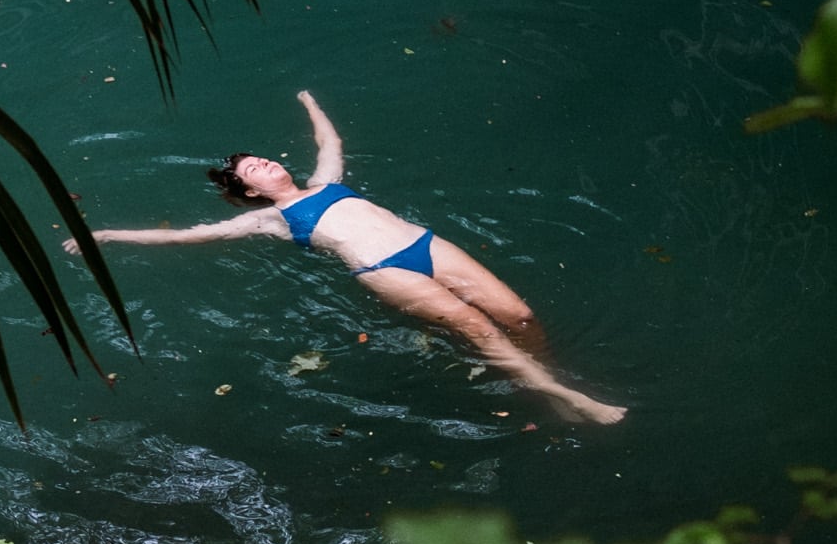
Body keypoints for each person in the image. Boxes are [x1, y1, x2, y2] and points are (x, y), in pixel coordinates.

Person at [65, 89, 626, 427]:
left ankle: (542, 378)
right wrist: (106, 235)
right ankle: (564, 394)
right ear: (252, 191)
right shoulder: (266, 219)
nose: (262, 163)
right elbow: (186, 237)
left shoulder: (325, 180)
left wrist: (310, 102)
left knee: (519, 315)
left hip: (426, 244)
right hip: (386, 272)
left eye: (261, 157)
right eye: (252, 170)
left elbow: (329, 144)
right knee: (480, 333)